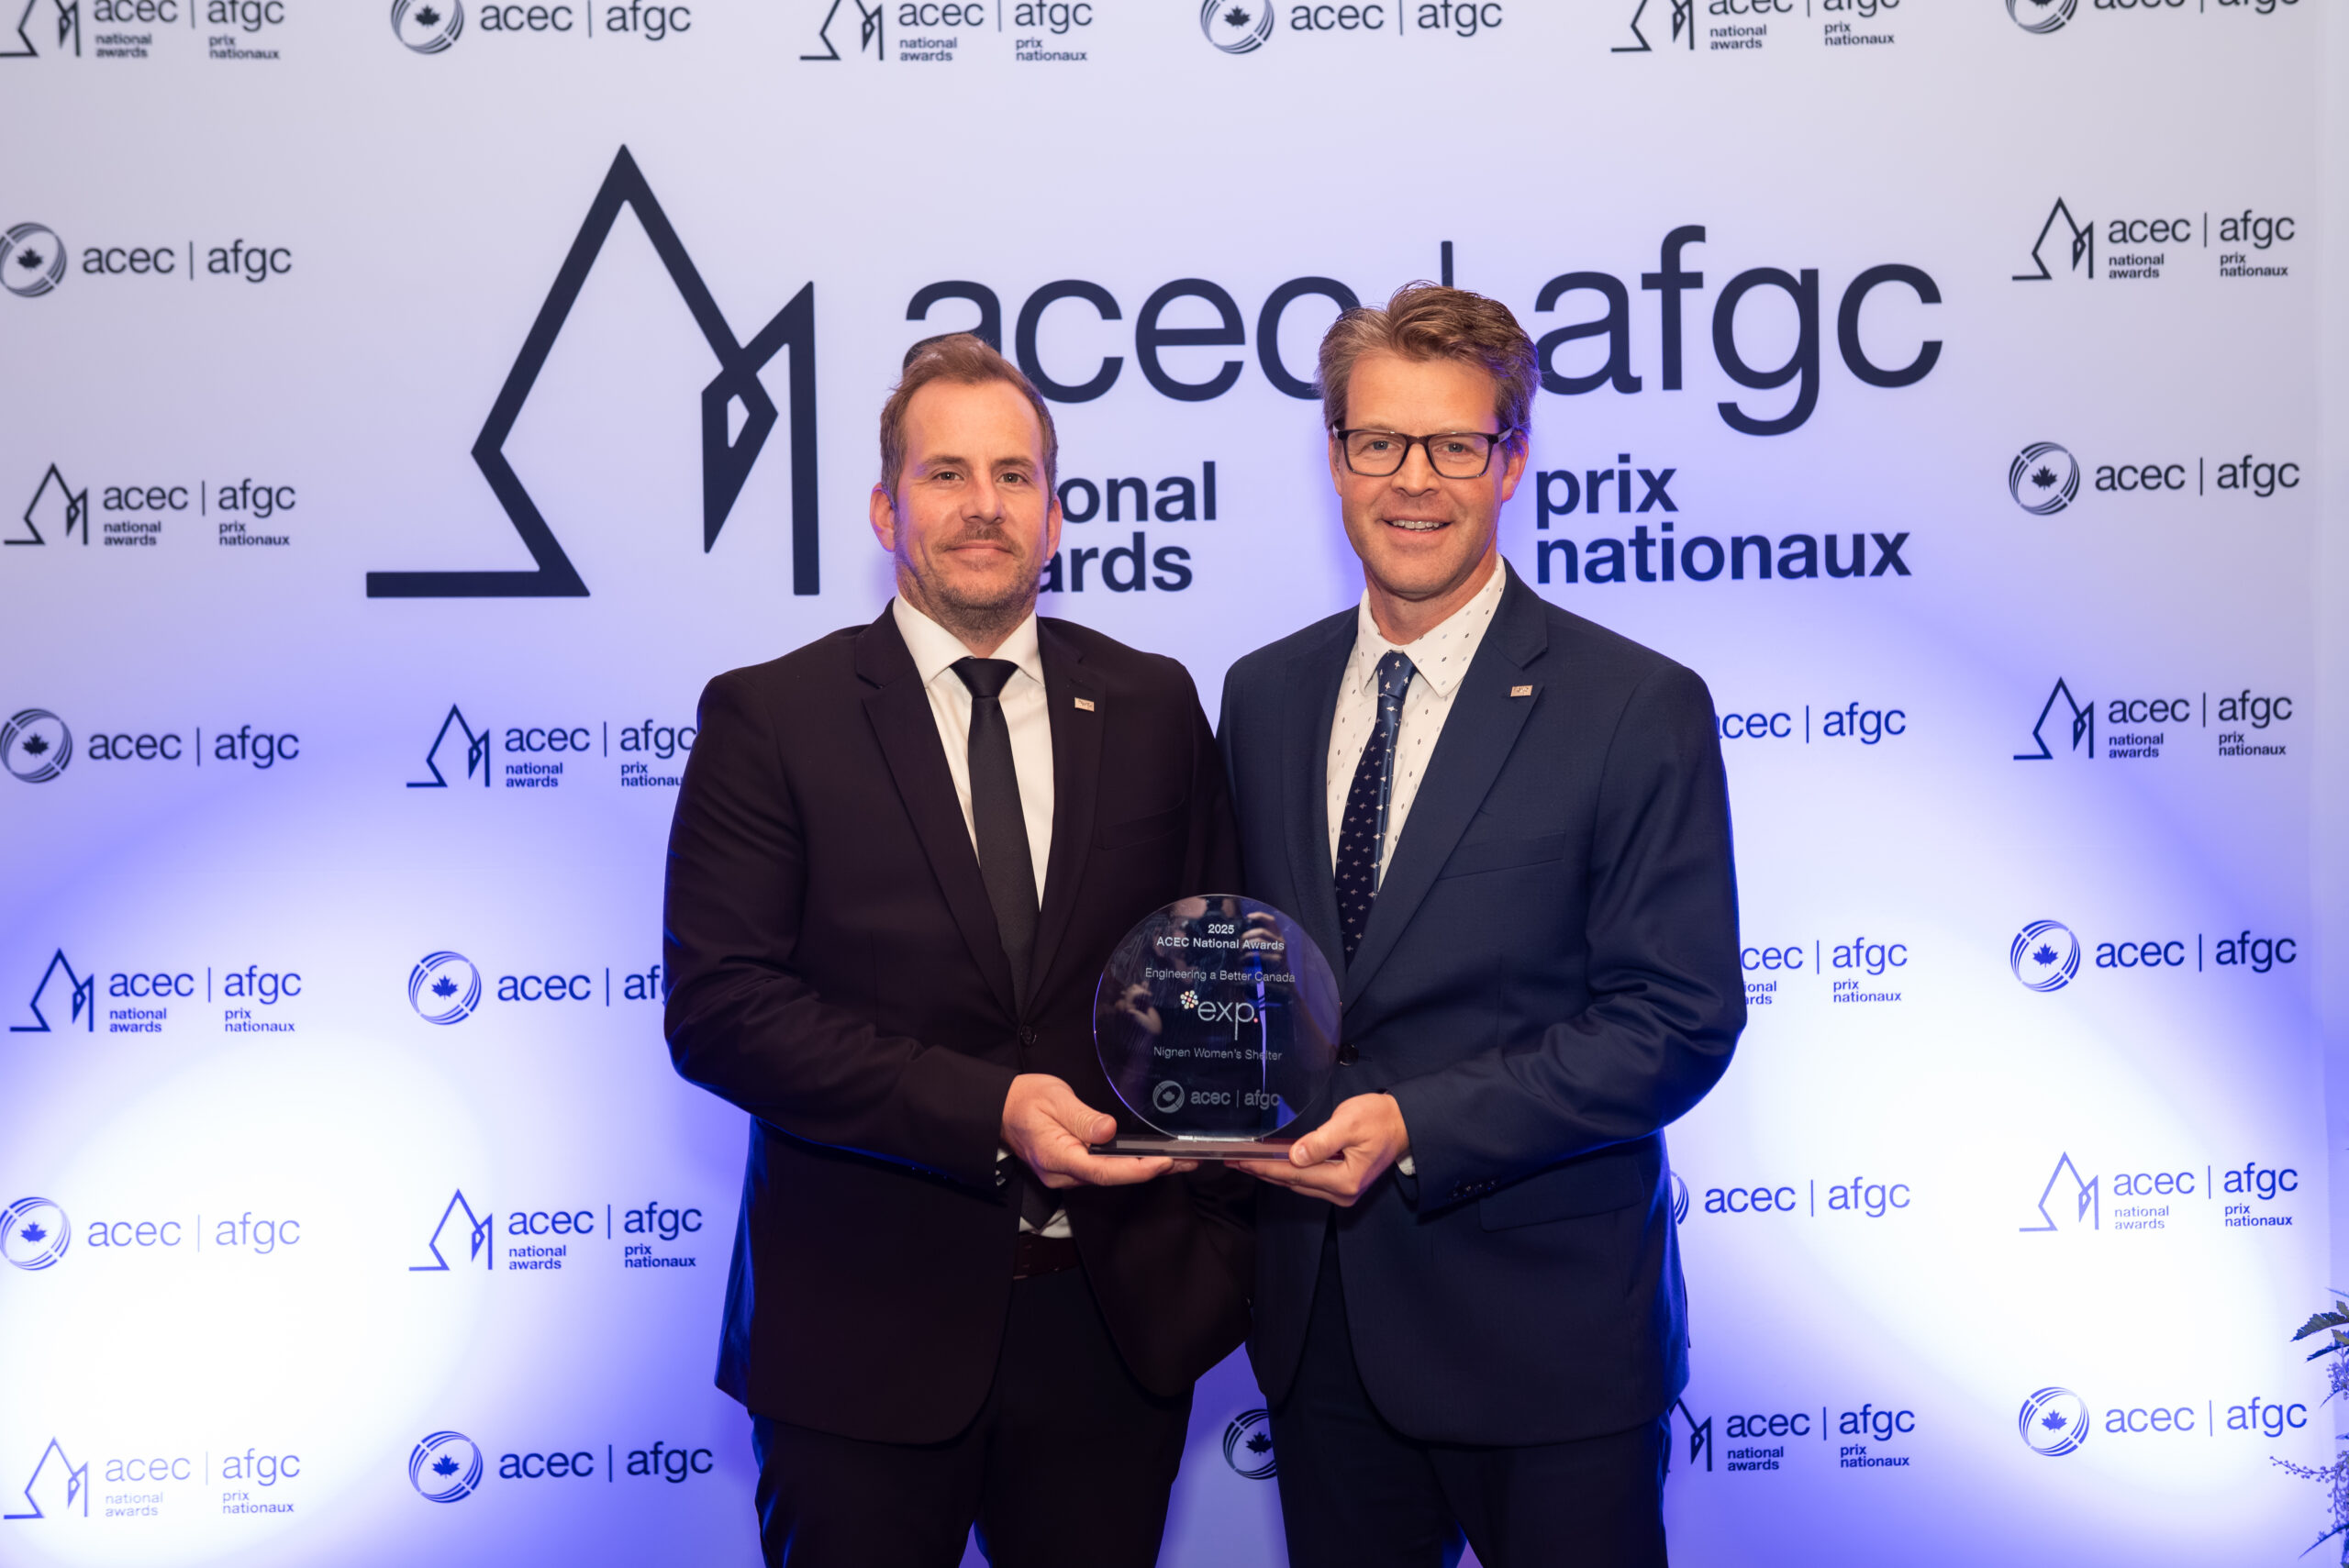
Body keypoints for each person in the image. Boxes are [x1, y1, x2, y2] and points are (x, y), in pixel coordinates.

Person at [663, 333, 1251, 1568]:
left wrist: (1214, 1247)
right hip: (861, 1337)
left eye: (1013, 475)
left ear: (1052, 511)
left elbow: (1218, 984)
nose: (982, 506)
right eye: (945, 474)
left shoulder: (1151, 706)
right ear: (886, 506)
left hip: (1113, 1330)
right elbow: (722, 1009)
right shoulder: (772, 717)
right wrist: (991, 1108)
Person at [1217, 284, 1743, 1568]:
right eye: (1378, 442)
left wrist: (1418, 1123)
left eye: (1455, 444)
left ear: (1512, 460)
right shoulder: (1263, 691)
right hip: (1322, 1329)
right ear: (1334, 456)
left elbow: (1676, 1024)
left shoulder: (1634, 705)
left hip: (1548, 1339)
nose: (1414, 480)